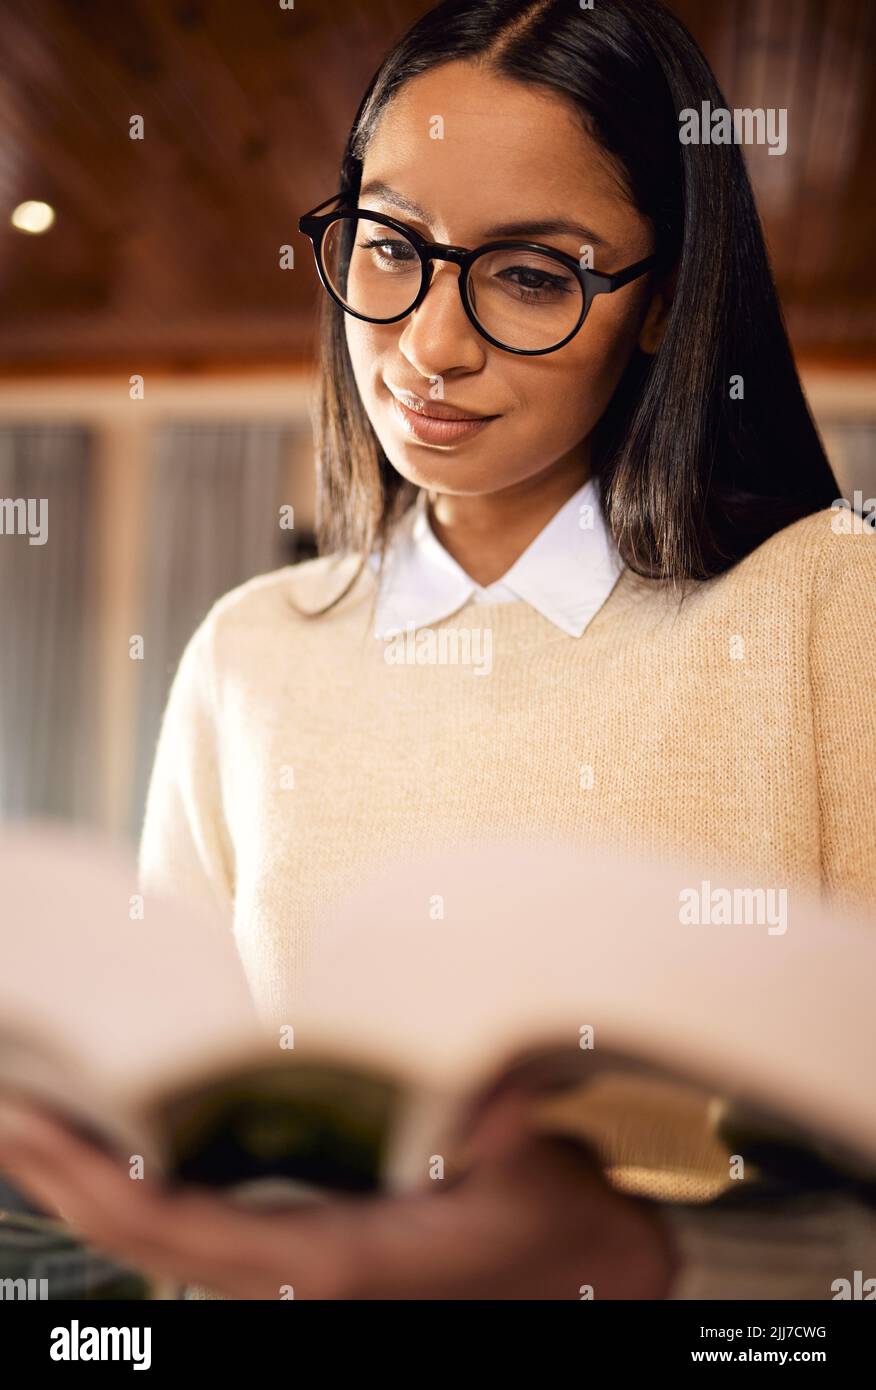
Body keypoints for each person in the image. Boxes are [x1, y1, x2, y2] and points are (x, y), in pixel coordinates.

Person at [0, 0, 873, 1299]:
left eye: (532, 274)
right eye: (392, 244)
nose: (428, 343)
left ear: (662, 304)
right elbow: (177, 1124)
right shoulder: (250, 656)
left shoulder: (830, 604)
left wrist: (640, 1256)